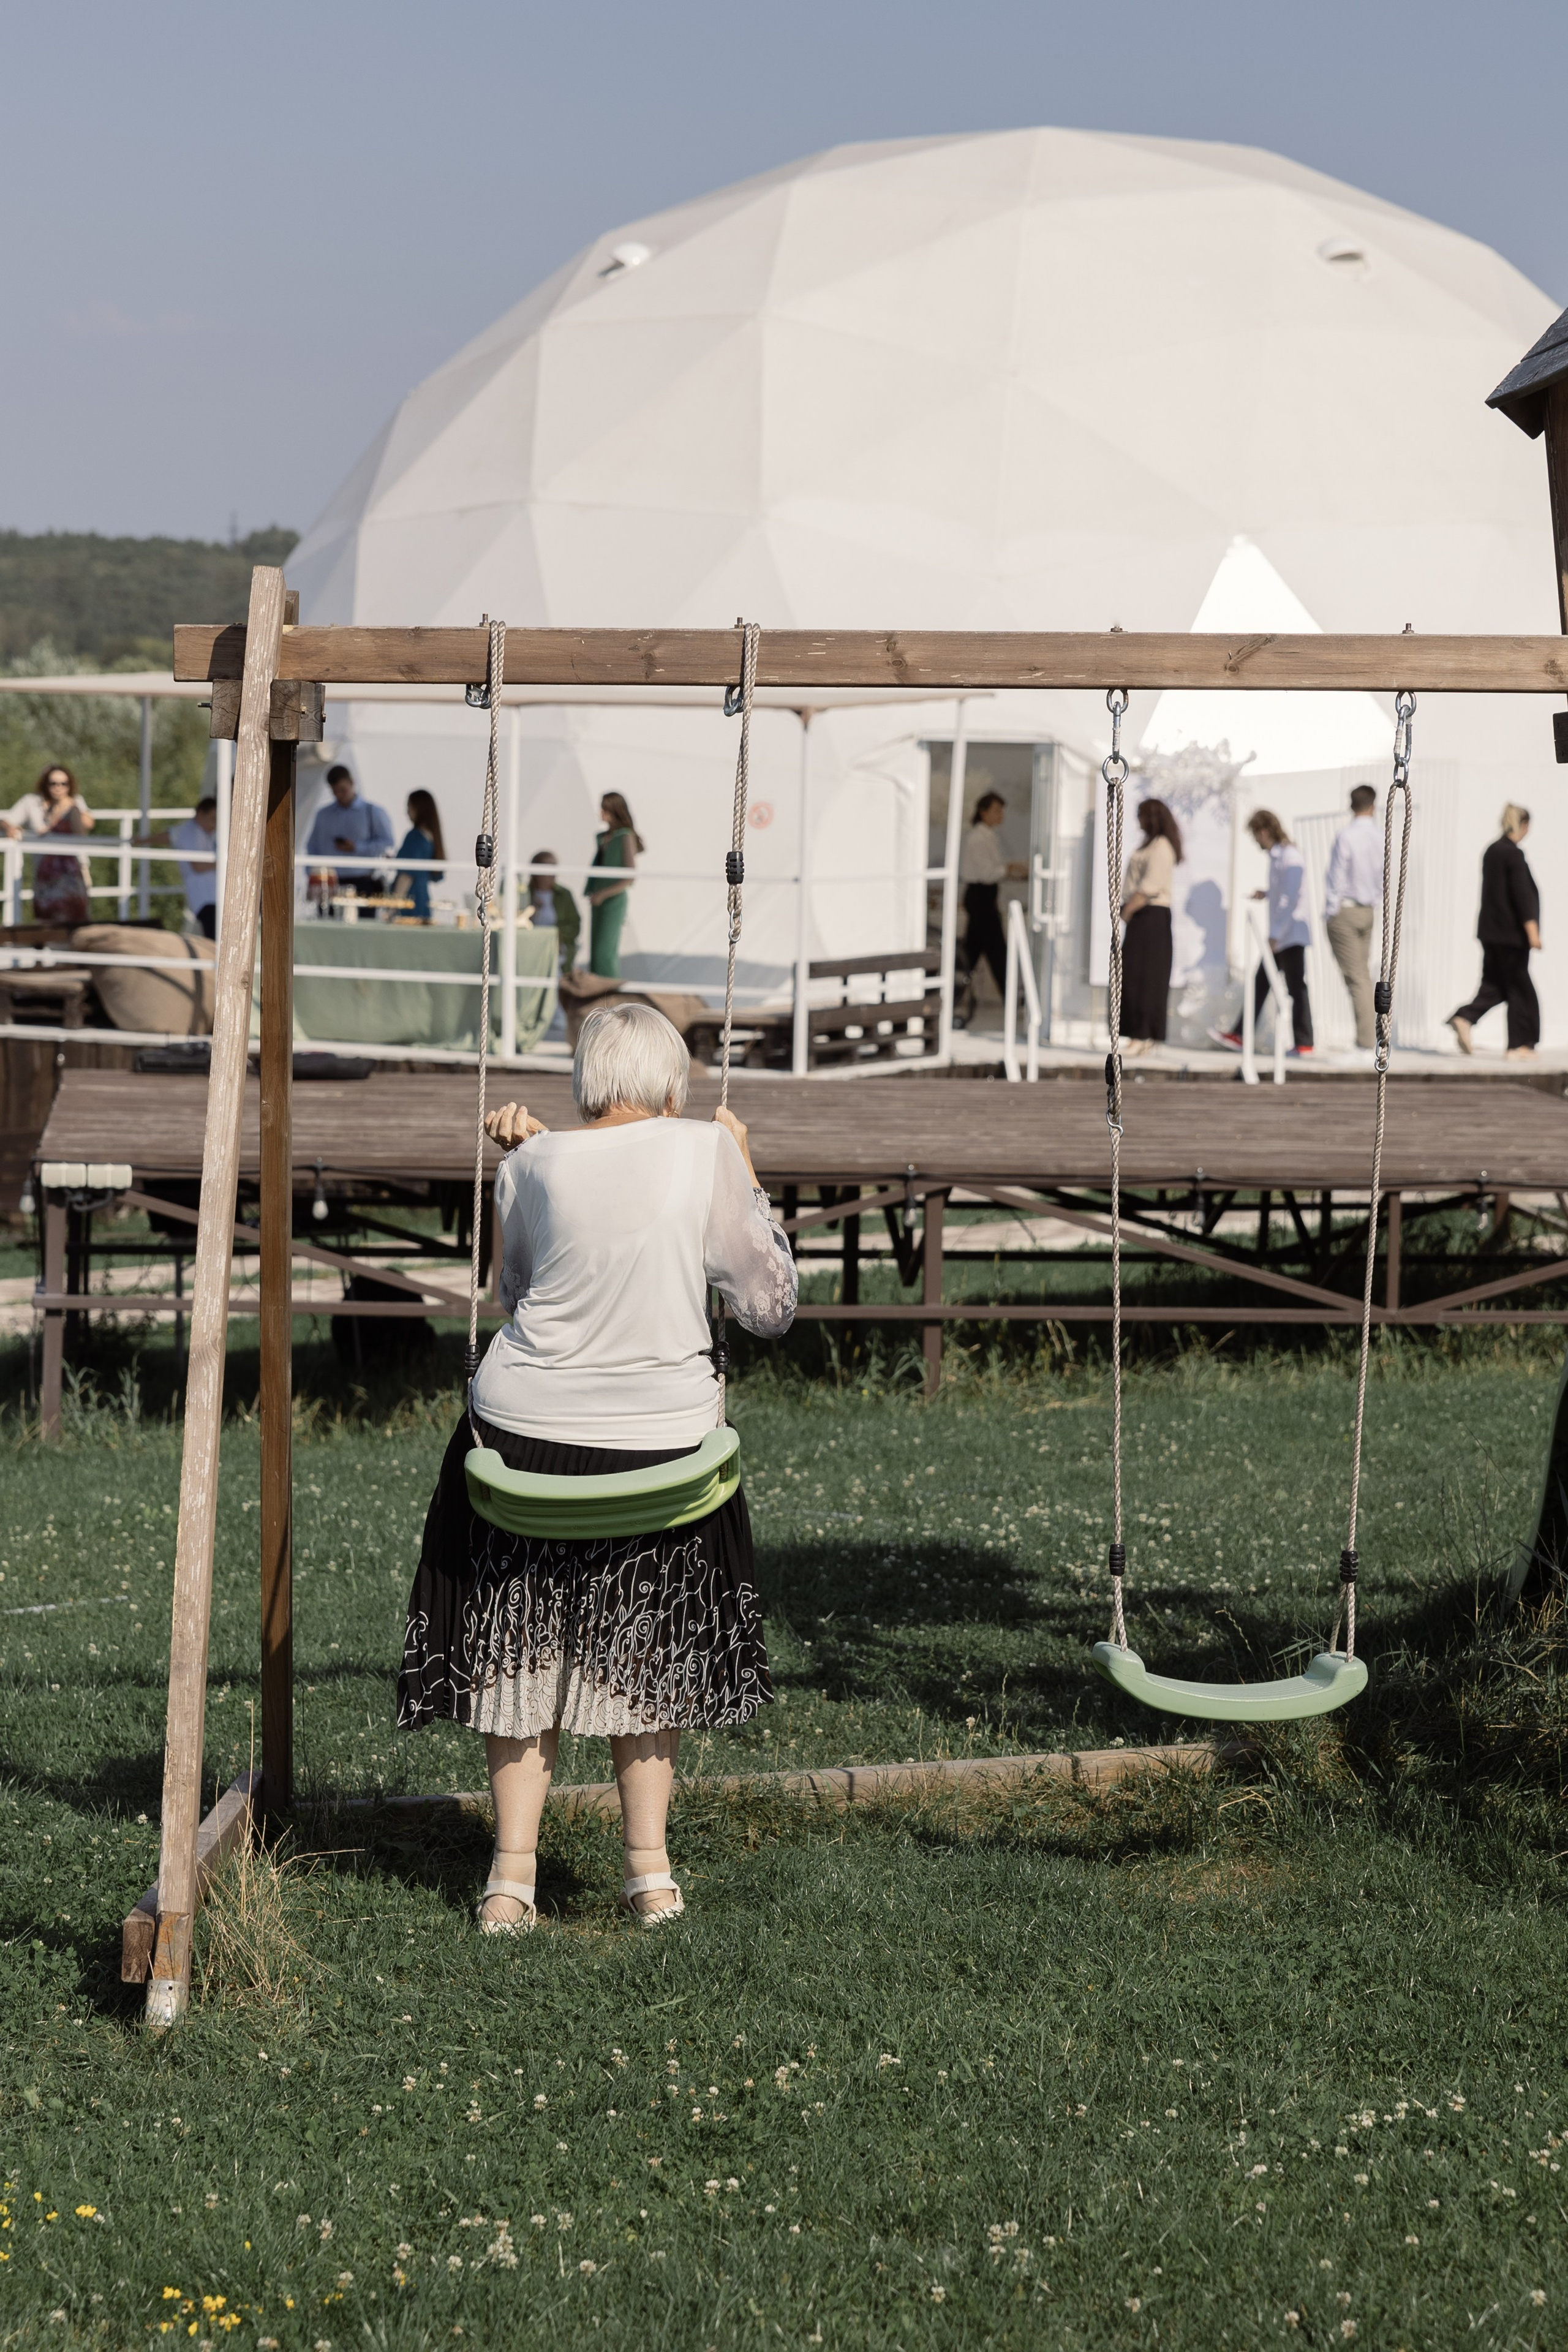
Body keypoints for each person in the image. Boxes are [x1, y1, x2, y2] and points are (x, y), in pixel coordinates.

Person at [398, 1000, 797, 1930]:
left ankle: (509, 1880)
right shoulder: (706, 1150)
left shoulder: (530, 1161)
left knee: (517, 1642)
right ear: (671, 1084)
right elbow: (769, 1304)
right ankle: (650, 1877)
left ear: (588, 1081)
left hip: (520, 1437)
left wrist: (532, 1164)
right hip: (659, 1443)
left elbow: (516, 1292)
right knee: (643, 1643)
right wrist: (745, 1167)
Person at [1210, 809, 1313, 1057]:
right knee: (1263, 984)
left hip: (1288, 935)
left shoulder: (1290, 857)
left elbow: (1290, 900)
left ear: (1264, 831)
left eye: (1256, 835)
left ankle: (1304, 1043)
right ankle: (1240, 1034)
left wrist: (1275, 934)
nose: (1256, 841)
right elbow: (1283, 893)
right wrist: (1266, 894)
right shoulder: (1280, 857)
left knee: (1295, 987)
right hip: (1284, 935)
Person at [1448, 803, 1541, 1061]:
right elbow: (1522, 897)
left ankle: (1465, 1017)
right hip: (1511, 936)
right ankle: (1520, 1045)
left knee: (1495, 985)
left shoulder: (1492, 851)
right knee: (1521, 990)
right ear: (1523, 826)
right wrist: (1532, 931)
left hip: (1490, 933)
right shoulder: (1513, 854)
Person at [1118, 796, 1182, 1054]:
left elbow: (1149, 887)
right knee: (1133, 976)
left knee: (1146, 978)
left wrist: (1126, 912)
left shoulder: (1161, 847)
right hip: (1141, 917)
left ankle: (1143, 1035)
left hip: (1151, 916)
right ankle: (1137, 1033)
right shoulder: (1149, 845)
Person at [1324, 784, 1383, 1050]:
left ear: (1351, 805)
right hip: (1367, 911)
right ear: (1373, 805)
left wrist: (1330, 910)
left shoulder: (1346, 836)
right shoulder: (1380, 836)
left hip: (1346, 911)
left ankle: (1366, 1042)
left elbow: (1336, 876)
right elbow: (1384, 876)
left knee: (1357, 978)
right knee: (1363, 976)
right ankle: (1368, 1039)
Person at [3, 763, 94, 925]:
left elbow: (87, 824)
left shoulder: (74, 803)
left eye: (63, 784)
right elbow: (7, 820)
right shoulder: (32, 802)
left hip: (73, 871)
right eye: (53, 783)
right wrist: (11, 828)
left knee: (76, 917)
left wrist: (69, 806)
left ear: (69, 785)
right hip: (46, 873)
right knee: (47, 918)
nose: (58, 787)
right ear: (45, 783)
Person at [959, 791, 1027, 998]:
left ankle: (951, 994)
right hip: (980, 896)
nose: (1001, 815)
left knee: (972, 951)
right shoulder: (979, 839)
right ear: (984, 812)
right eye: (997, 811)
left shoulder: (988, 836)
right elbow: (987, 873)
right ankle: (1011, 996)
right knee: (997, 951)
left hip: (985, 897)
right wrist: (1009, 868)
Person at [304, 764, 396, 900]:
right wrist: (313, 874)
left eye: (343, 790)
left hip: (363, 882)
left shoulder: (372, 812)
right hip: (329, 884)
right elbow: (312, 846)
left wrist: (357, 848)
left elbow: (387, 843)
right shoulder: (323, 815)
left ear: (352, 783)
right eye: (335, 792)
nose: (340, 795)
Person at [588, 792, 642, 978]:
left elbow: (630, 876)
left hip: (613, 900)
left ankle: (610, 998)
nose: (601, 812)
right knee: (596, 954)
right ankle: (597, 996)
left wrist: (604, 894)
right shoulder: (604, 837)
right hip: (598, 900)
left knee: (606, 953)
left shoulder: (625, 836)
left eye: (605, 808)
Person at [166, 797, 219, 939]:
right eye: (213, 818)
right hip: (205, 898)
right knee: (215, 939)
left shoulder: (203, 833)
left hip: (212, 897)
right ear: (200, 814)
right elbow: (198, 866)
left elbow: (168, 835)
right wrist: (227, 863)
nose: (214, 824)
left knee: (216, 938)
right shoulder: (189, 833)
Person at [393, 790, 445, 922]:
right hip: (423, 900)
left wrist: (392, 906)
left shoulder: (415, 837)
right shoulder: (431, 837)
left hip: (409, 900)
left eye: (409, 807)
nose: (407, 812)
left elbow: (407, 875)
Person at [528, 849, 580, 972]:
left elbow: (575, 926)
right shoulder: (525, 893)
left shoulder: (564, 894)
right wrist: (532, 911)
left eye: (554, 867)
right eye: (547, 868)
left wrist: (558, 936)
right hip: (531, 945)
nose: (552, 872)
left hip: (556, 947)